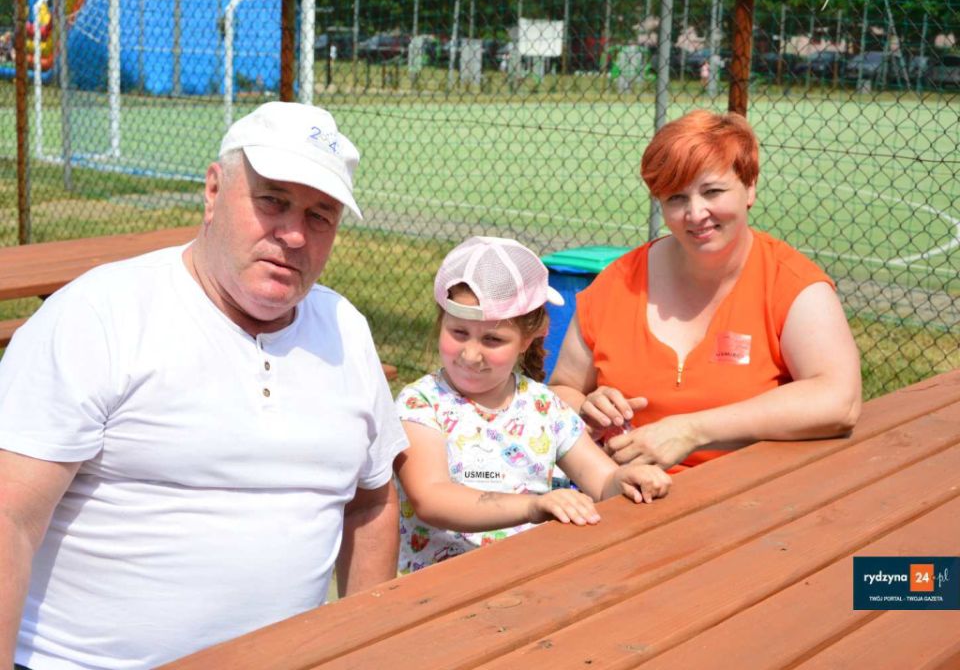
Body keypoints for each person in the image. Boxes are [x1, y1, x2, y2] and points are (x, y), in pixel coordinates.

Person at [0, 102, 408, 670]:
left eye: (320, 216)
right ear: (213, 191)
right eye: (272, 201)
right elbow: (9, 517)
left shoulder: (344, 329)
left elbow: (370, 501)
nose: (294, 234)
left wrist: (362, 651)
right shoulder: (100, 315)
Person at [549, 109, 861, 471]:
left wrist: (692, 431)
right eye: (676, 198)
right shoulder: (618, 283)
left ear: (750, 187)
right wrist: (587, 408)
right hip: (626, 489)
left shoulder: (790, 284)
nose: (695, 214)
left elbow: (839, 401)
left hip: (752, 491)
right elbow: (561, 391)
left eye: (712, 191)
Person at [393, 237, 671, 573]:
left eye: (492, 339)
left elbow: (601, 481)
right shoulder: (421, 404)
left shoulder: (543, 406)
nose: (470, 354)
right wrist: (533, 506)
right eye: (458, 332)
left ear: (529, 337)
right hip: (443, 586)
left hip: (529, 577)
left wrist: (626, 477)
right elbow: (431, 497)